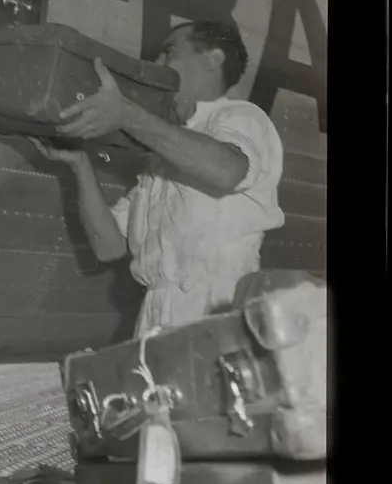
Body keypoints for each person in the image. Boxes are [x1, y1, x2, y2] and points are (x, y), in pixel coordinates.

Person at [27, 20, 284, 337]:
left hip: (218, 311)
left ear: (212, 59)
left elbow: (226, 170)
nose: (156, 63)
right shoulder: (163, 155)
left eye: (169, 52)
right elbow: (108, 247)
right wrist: (79, 164)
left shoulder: (241, 117)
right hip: (153, 316)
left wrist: (128, 114)